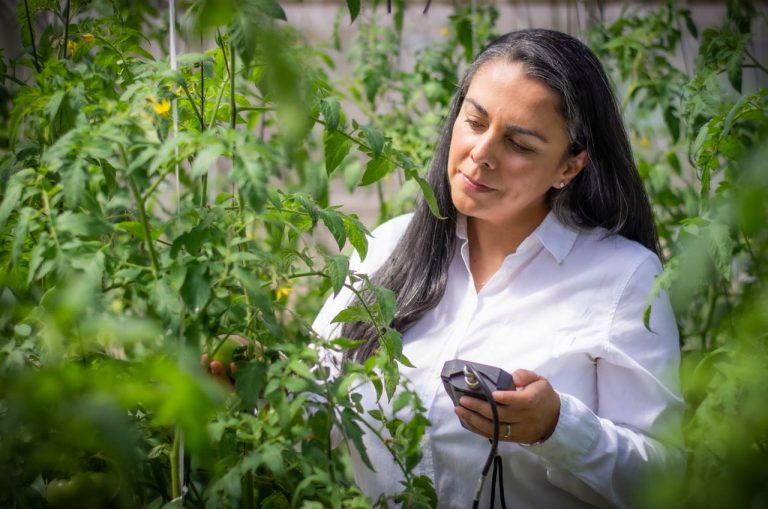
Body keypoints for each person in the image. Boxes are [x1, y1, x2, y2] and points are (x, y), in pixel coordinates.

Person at [310, 28, 684, 508]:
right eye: (475, 121)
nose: (482, 154)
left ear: (569, 167)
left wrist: (556, 428)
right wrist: (246, 379)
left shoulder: (622, 279)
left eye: (520, 145)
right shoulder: (389, 246)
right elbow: (313, 395)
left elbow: (665, 482)